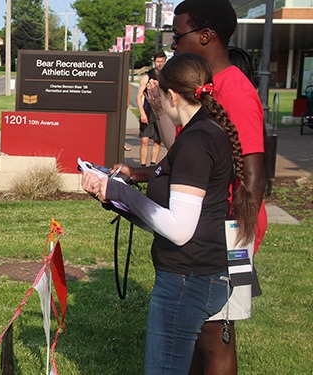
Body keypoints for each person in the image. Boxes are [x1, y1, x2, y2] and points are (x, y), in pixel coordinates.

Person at [83, 52, 255, 374]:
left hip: (186, 281)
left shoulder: (195, 141)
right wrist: (113, 196)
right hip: (194, 275)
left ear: (172, 95)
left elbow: (179, 229)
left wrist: (116, 191)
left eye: (160, 95)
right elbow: (167, 213)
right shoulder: (203, 131)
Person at [166, 1, 267, 373]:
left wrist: (236, 245)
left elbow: (255, 176)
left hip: (227, 234)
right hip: (205, 228)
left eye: (179, 37)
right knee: (197, 329)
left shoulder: (234, 92)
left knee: (216, 334)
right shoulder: (205, 89)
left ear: (205, 36)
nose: (174, 45)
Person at [136, 51, 167, 166]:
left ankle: (153, 165)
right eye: (158, 61)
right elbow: (139, 96)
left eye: (162, 61)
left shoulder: (167, 76)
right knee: (144, 140)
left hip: (161, 112)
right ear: (154, 62)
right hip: (148, 111)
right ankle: (142, 165)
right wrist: (142, 113)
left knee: (157, 141)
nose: (160, 64)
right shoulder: (147, 76)